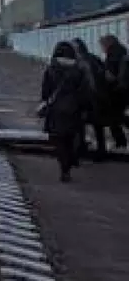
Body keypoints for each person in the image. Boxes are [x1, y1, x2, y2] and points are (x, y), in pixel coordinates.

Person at [39, 41, 91, 182]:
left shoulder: (51, 69)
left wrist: (45, 102)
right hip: (74, 109)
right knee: (70, 137)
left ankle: (64, 168)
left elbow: (45, 90)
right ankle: (70, 161)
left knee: (58, 139)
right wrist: (84, 107)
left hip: (56, 110)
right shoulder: (79, 69)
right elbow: (85, 91)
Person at [71, 38, 124, 158]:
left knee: (81, 123)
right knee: (97, 125)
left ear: (77, 49)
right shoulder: (93, 58)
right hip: (99, 97)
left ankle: (83, 149)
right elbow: (105, 75)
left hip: (89, 98)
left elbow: (87, 82)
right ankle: (101, 149)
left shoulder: (80, 62)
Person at [99, 34, 129, 136]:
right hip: (124, 89)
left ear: (107, 44)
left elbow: (110, 76)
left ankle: (120, 142)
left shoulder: (112, 55)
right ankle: (121, 141)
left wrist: (102, 74)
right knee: (117, 117)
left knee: (114, 119)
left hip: (116, 91)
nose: (102, 49)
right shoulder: (122, 52)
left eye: (102, 46)